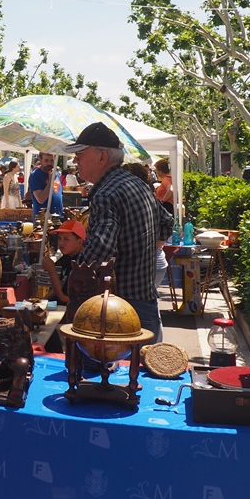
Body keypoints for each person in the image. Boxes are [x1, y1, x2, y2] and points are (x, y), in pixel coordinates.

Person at [67, 122, 173, 342]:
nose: (76, 160)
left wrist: (73, 278)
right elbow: (166, 223)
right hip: (145, 302)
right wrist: (140, 254)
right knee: (140, 374)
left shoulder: (105, 193)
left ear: (102, 157)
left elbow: (99, 252)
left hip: (119, 314)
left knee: (111, 375)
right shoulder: (137, 183)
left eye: (80, 154)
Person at [41, 219, 86, 305]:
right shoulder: (67, 257)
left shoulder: (80, 263)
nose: (61, 243)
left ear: (79, 242)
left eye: (66, 239)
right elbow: (60, 286)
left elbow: (65, 298)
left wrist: (52, 271)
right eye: (59, 238)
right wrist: (42, 301)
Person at [29, 152, 63, 222]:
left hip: (57, 218)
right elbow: (41, 199)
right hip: (43, 221)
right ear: (41, 161)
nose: (49, 164)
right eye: (46, 160)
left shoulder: (56, 174)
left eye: (52, 160)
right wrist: (51, 181)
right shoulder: (35, 175)